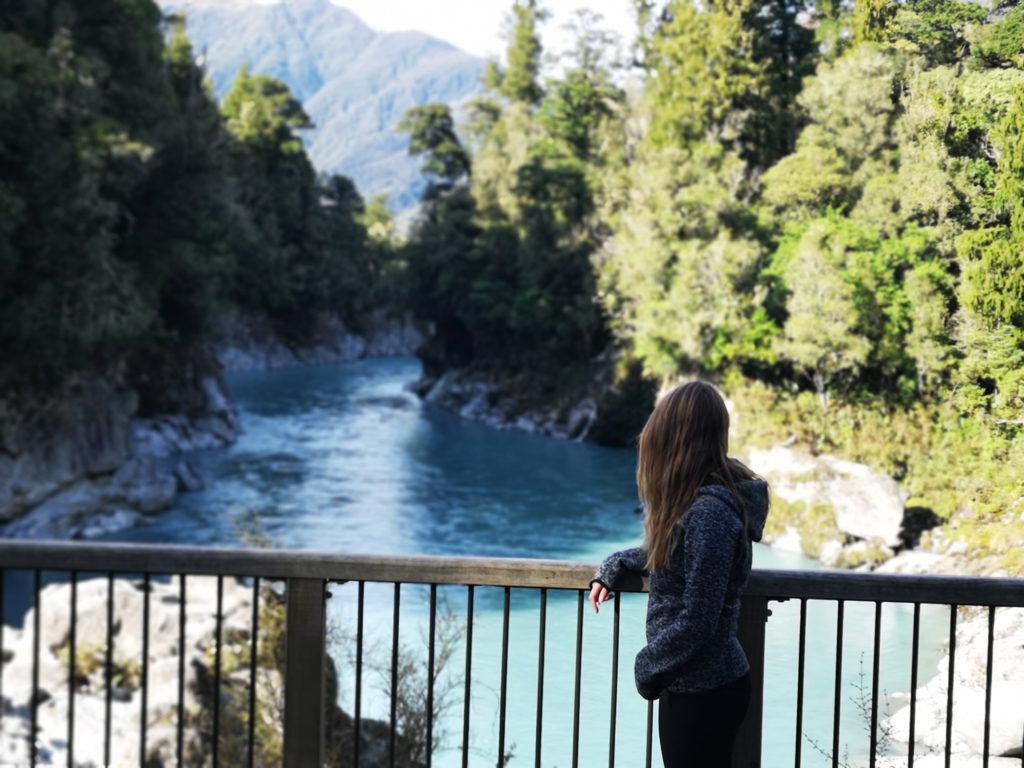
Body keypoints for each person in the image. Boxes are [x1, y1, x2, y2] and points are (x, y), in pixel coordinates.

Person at [588, 380, 769, 767]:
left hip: (705, 692)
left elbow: (699, 618)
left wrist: (647, 665)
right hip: (694, 683)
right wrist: (618, 563)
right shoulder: (702, 506)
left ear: (676, 441)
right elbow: (679, 556)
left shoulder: (710, 514)